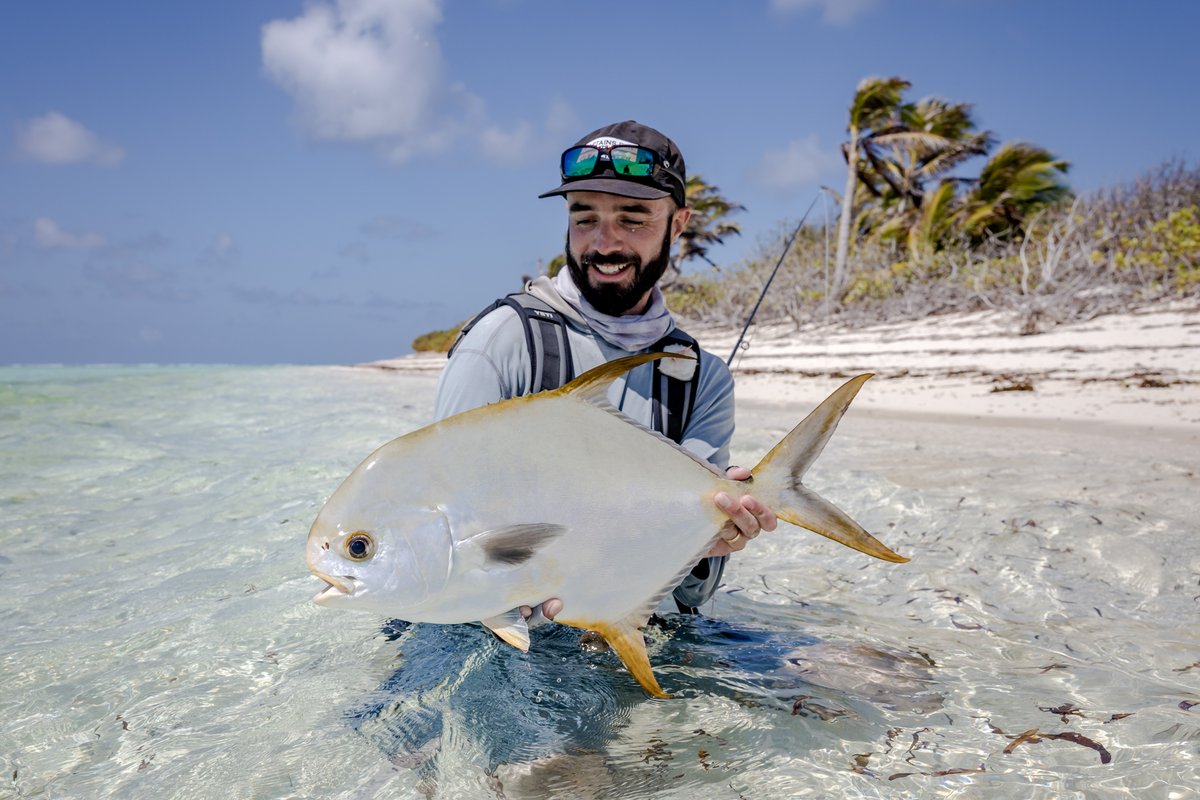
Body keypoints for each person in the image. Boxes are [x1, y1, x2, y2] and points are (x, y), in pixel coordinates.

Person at [435, 120, 777, 619]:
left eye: (633, 218)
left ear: (678, 224)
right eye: (584, 217)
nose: (604, 243)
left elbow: (689, 597)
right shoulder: (502, 341)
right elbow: (443, 525)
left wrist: (707, 541)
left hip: (629, 632)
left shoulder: (702, 378)